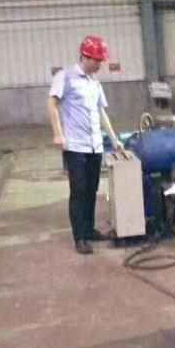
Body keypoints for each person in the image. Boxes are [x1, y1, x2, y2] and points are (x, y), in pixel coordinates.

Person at [48, 35, 129, 254]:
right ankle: (80, 237)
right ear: (85, 57)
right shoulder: (65, 77)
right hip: (75, 146)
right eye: (97, 60)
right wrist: (58, 134)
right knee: (79, 190)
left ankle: (89, 229)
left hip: (95, 146)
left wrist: (115, 141)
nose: (100, 65)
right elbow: (52, 103)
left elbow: (101, 112)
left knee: (92, 189)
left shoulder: (95, 83)